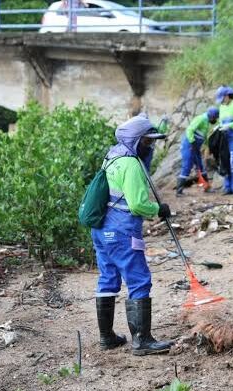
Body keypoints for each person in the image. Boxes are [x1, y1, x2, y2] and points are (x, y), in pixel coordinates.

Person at [92, 114, 173, 356]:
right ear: (136, 140)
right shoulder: (131, 164)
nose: (150, 145)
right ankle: (142, 341)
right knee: (139, 279)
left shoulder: (113, 157)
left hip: (101, 230)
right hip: (122, 231)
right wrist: (158, 209)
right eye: (147, 141)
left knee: (108, 278)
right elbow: (137, 204)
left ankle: (107, 337)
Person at [176, 107, 219, 196]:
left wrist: (206, 146)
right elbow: (189, 130)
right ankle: (179, 191)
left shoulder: (207, 122)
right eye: (215, 118)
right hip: (189, 145)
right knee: (187, 166)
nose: (215, 120)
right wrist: (192, 142)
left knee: (201, 166)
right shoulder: (201, 119)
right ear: (211, 116)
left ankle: (207, 187)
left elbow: (203, 136)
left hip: (196, 147)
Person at [215, 85, 233, 194]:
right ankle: (227, 187)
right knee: (225, 161)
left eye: (222, 99)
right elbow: (221, 122)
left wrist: (230, 125)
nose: (222, 102)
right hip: (225, 137)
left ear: (227, 96)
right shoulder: (222, 107)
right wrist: (219, 126)